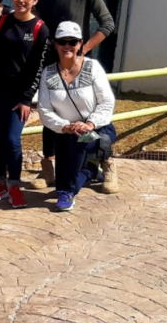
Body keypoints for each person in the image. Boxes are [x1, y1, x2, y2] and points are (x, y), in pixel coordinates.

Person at [33, 0, 117, 190]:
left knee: (93, 112)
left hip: (81, 66)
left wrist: (83, 49)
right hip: (52, 65)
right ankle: (48, 166)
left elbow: (107, 23)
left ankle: (108, 162)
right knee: (52, 115)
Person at [0, 0, 51, 208]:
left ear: (35, 0)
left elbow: (38, 67)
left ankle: (15, 185)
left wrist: (26, 99)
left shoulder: (40, 28)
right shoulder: (1, 23)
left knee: (12, 139)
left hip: (19, 96)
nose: (21, 0)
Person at [38, 21, 117, 211]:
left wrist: (89, 123)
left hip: (98, 129)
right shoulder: (48, 73)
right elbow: (44, 109)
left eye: (72, 42)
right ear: (55, 43)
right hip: (65, 131)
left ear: (80, 43)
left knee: (76, 141)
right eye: (62, 41)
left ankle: (67, 190)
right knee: (70, 140)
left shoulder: (93, 67)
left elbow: (107, 101)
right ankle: (88, 172)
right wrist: (66, 126)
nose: (67, 46)